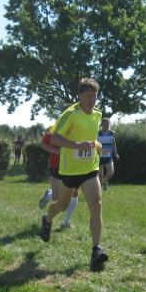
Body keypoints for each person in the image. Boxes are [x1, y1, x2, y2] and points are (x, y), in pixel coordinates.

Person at [39, 78, 108, 270]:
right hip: (69, 170)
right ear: (79, 96)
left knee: (96, 205)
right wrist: (77, 145)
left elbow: (91, 139)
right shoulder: (70, 114)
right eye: (87, 96)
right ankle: (47, 219)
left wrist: (96, 145)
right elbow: (55, 139)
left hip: (90, 168)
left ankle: (96, 250)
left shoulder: (98, 115)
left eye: (94, 96)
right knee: (62, 204)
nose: (91, 100)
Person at [97, 117, 119, 190]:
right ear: (101, 125)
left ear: (109, 124)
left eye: (107, 124)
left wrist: (116, 153)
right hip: (99, 156)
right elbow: (95, 144)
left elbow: (113, 144)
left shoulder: (112, 133)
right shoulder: (98, 133)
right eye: (104, 124)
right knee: (100, 176)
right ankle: (99, 191)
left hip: (109, 156)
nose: (105, 126)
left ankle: (104, 181)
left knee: (110, 172)